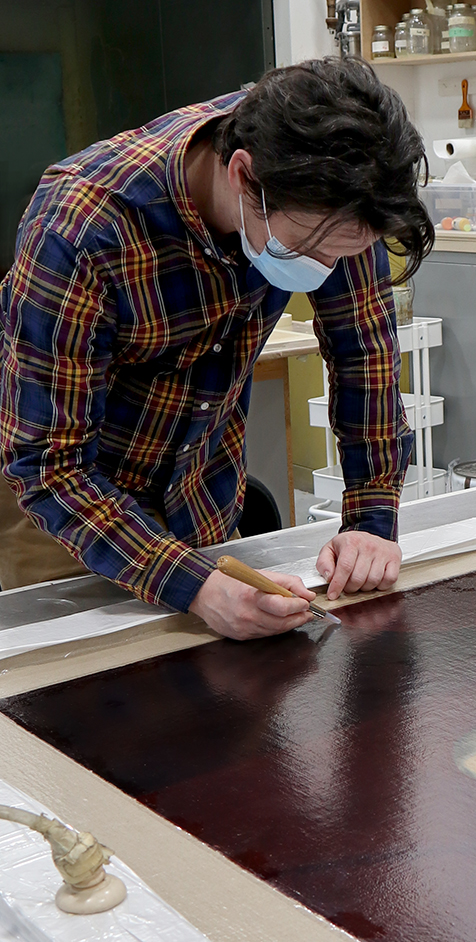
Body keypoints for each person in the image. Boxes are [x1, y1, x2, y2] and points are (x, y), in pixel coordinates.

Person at [0, 58, 434, 640]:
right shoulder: (82, 227)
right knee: (76, 701)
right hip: (65, 509)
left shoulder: (336, 189)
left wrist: (371, 519)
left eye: (347, 253)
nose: (330, 269)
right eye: (313, 249)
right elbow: (49, 466)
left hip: (199, 491)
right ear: (242, 176)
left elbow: (364, 355)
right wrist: (195, 587)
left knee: (214, 697)